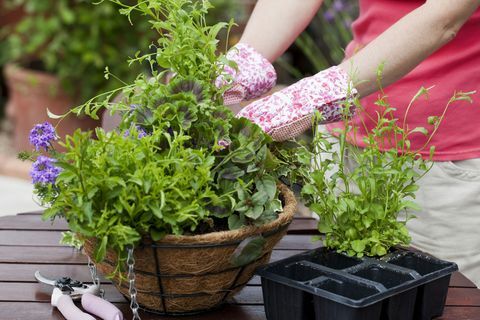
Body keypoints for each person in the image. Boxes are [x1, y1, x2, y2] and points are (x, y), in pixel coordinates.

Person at [223, 0, 480, 287]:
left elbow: (444, 17)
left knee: (449, 300)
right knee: (333, 295)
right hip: (345, 146)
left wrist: (316, 95)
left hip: (443, 166)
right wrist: (240, 67)